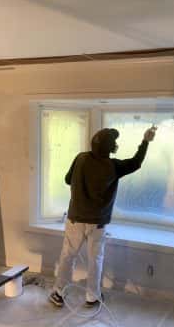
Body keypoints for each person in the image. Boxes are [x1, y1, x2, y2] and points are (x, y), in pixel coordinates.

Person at [49, 125, 157, 308]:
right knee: (95, 259)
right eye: (114, 142)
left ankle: (59, 293)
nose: (116, 145)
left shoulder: (81, 158)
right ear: (111, 148)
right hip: (97, 224)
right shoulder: (113, 166)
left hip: (75, 219)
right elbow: (136, 162)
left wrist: (82, 183)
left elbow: (68, 180)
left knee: (68, 256)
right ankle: (92, 297)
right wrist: (146, 141)